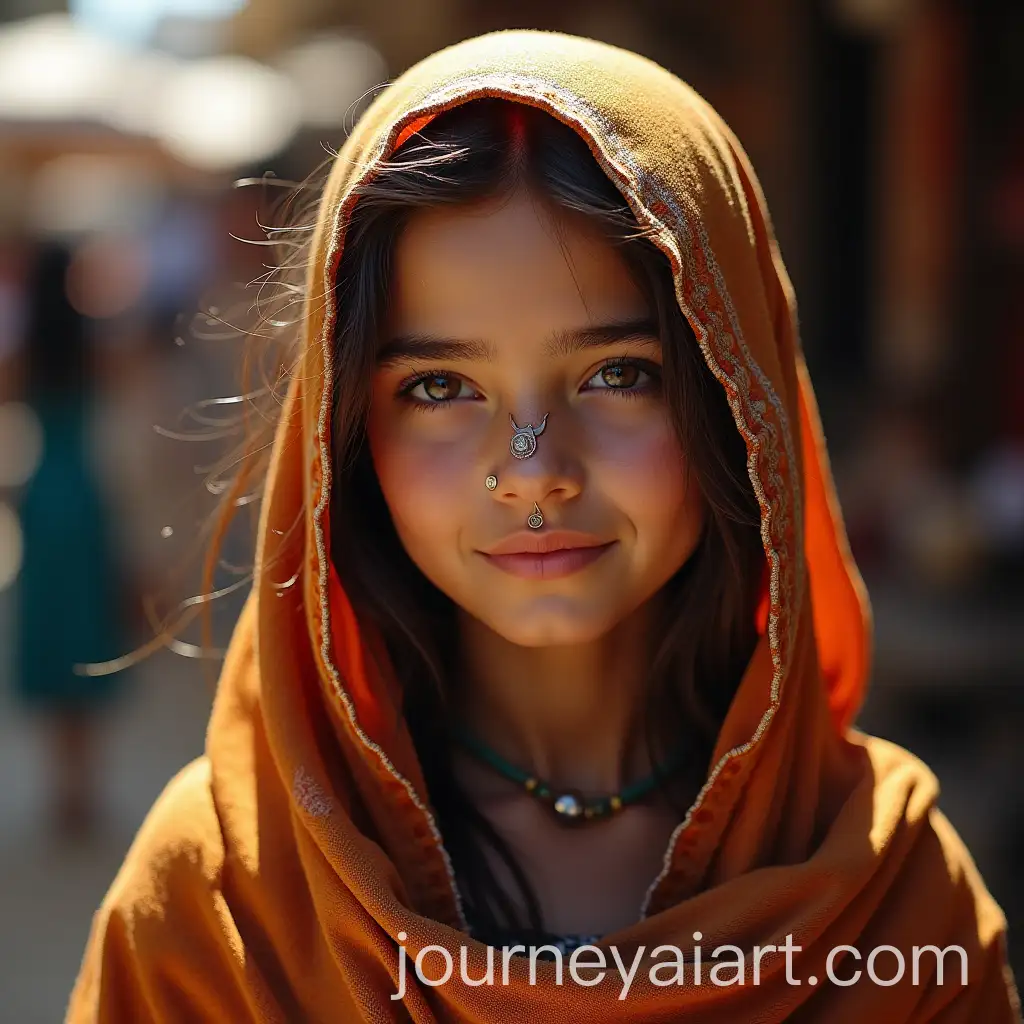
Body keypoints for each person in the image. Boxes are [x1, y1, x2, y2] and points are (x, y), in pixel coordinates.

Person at [67, 31, 1020, 1021]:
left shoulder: (890, 899)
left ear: (742, 401)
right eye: (439, 386)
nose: (533, 473)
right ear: (345, 437)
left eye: (618, 374)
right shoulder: (223, 901)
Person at [13, 241, 124, 838]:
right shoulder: (97, 342)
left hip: (42, 494)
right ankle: (86, 787)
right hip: (86, 493)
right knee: (86, 634)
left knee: (52, 635)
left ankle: (61, 789)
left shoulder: (25, 348)